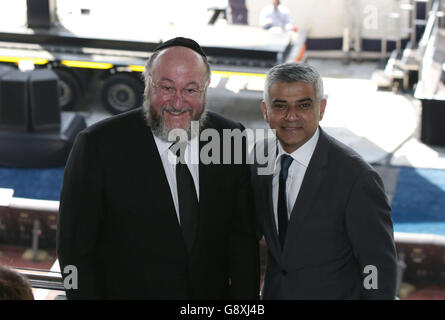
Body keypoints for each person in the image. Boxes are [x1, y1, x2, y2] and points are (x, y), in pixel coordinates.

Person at [57, 37, 260, 299]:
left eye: (190, 89)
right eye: (167, 87)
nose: (178, 103)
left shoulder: (229, 137)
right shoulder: (97, 146)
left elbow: (243, 239)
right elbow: (73, 252)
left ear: (205, 89)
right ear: (147, 86)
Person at [251, 62, 398, 299]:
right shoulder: (260, 159)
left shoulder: (357, 178)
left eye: (304, 105)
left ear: (322, 108)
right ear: (265, 111)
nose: (291, 116)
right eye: (280, 106)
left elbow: (378, 266)